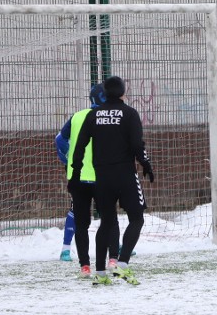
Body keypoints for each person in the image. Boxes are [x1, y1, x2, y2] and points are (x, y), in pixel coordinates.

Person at [70, 76, 154, 286]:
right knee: (137, 217)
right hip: (125, 175)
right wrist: (146, 164)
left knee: (106, 222)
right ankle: (121, 263)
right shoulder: (129, 113)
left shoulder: (94, 115)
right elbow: (137, 143)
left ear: (105, 93)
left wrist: (76, 172)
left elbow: (79, 145)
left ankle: (99, 272)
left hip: (103, 178)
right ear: (123, 92)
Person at [56, 84, 120, 277]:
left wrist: (67, 159)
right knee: (110, 219)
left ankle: (85, 266)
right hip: (104, 177)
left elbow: (59, 139)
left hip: (79, 178)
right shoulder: (111, 117)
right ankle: (112, 260)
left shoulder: (77, 116)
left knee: (81, 223)